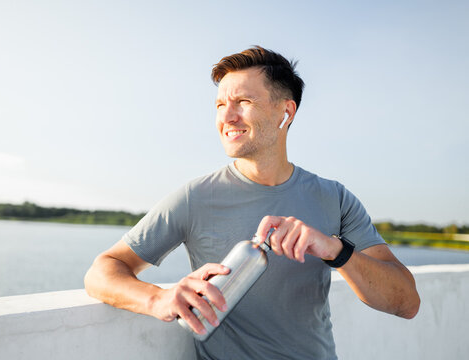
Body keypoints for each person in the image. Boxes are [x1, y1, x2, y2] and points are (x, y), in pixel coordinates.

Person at [84, 46, 420, 359]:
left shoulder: (336, 198)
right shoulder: (195, 197)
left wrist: (334, 250)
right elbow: (102, 271)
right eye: (219, 105)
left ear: (285, 112)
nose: (226, 117)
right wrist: (159, 298)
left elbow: (406, 302)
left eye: (242, 101)